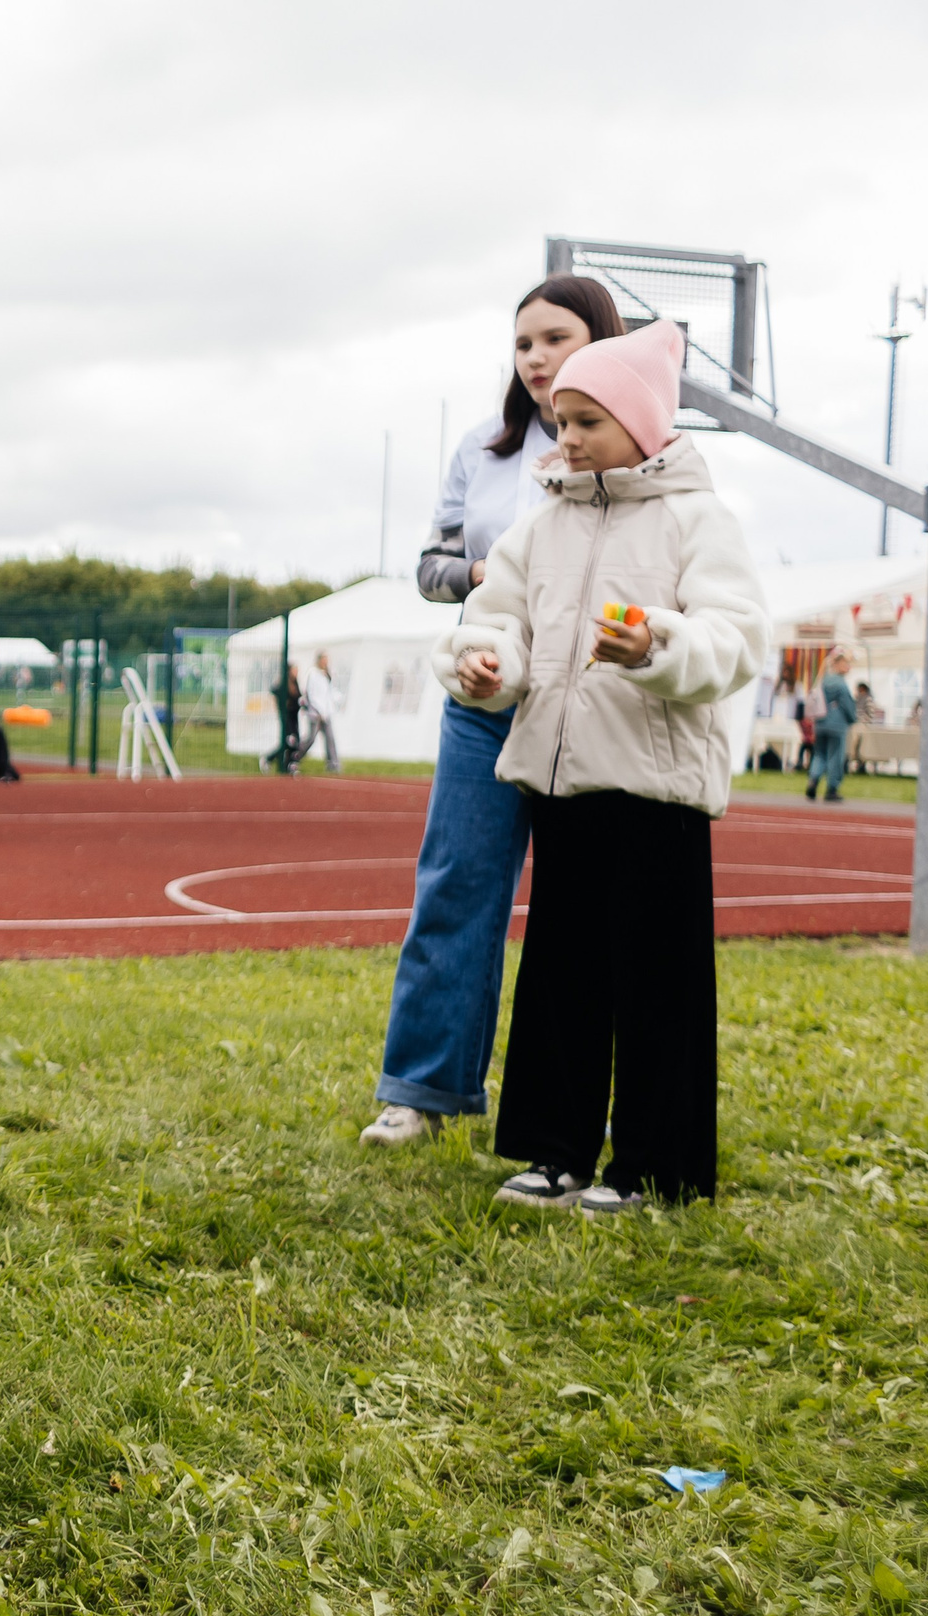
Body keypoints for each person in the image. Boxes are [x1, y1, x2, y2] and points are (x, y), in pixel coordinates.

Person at [437, 318, 770, 1213]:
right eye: (562, 422)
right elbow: (500, 618)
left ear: (643, 420)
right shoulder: (544, 523)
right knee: (562, 970)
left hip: (656, 790)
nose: (568, 437)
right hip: (564, 779)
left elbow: (735, 642)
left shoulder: (699, 519)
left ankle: (655, 1168)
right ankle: (556, 1150)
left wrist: (657, 642)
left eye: (587, 420)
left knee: (656, 980)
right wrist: (486, 662)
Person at [361, 275, 625, 1147]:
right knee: (456, 886)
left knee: (583, 907)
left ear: (600, 341)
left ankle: (568, 1116)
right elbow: (433, 565)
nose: (539, 356)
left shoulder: (630, 449)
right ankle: (420, 1092)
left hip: (588, 703)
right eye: (524, 344)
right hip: (482, 696)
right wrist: (486, 578)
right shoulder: (484, 448)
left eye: (556, 337)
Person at [807, 650, 858, 802]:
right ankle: (832, 788)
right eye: (845, 664)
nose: (848, 667)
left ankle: (813, 780)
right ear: (837, 664)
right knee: (835, 756)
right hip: (837, 723)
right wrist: (852, 718)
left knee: (819, 754)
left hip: (821, 722)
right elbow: (848, 704)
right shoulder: (841, 683)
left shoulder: (823, 680)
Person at [301, 651, 341, 773]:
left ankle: (333, 763)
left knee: (330, 738)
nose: (326, 662)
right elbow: (312, 694)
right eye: (324, 659)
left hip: (326, 712)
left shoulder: (327, 674)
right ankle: (295, 756)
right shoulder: (313, 674)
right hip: (316, 713)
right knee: (311, 739)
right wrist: (318, 710)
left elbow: (329, 693)